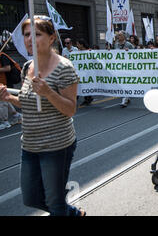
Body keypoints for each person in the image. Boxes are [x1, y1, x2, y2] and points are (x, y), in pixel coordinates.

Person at [0, 16, 84, 216]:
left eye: (37, 34)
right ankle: (73, 213)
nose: (30, 39)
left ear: (52, 37)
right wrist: (9, 98)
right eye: (27, 35)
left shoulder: (64, 68)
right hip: (29, 144)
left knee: (55, 204)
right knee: (31, 198)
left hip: (57, 146)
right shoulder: (28, 67)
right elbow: (28, 103)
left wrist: (48, 92)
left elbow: (70, 109)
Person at [0, 52, 22, 130]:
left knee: (2, 100)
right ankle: (16, 115)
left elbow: (8, 68)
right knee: (4, 99)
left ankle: (5, 121)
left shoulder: (2, 56)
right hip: (2, 80)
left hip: (7, 79)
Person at [114, 31, 134, 107]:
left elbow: (136, 55)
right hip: (119, 67)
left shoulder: (129, 45)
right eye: (118, 35)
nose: (118, 37)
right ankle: (127, 97)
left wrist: (128, 52)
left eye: (120, 35)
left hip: (127, 67)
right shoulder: (116, 45)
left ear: (124, 36)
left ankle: (125, 99)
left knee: (126, 82)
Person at [76, 39, 94, 106]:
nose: (77, 46)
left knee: (85, 84)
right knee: (80, 85)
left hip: (88, 72)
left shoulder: (89, 51)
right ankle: (86, 98)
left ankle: (88, 98)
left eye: (78, 44)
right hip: (81, 71)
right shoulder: (77, 52)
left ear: (82, 45)